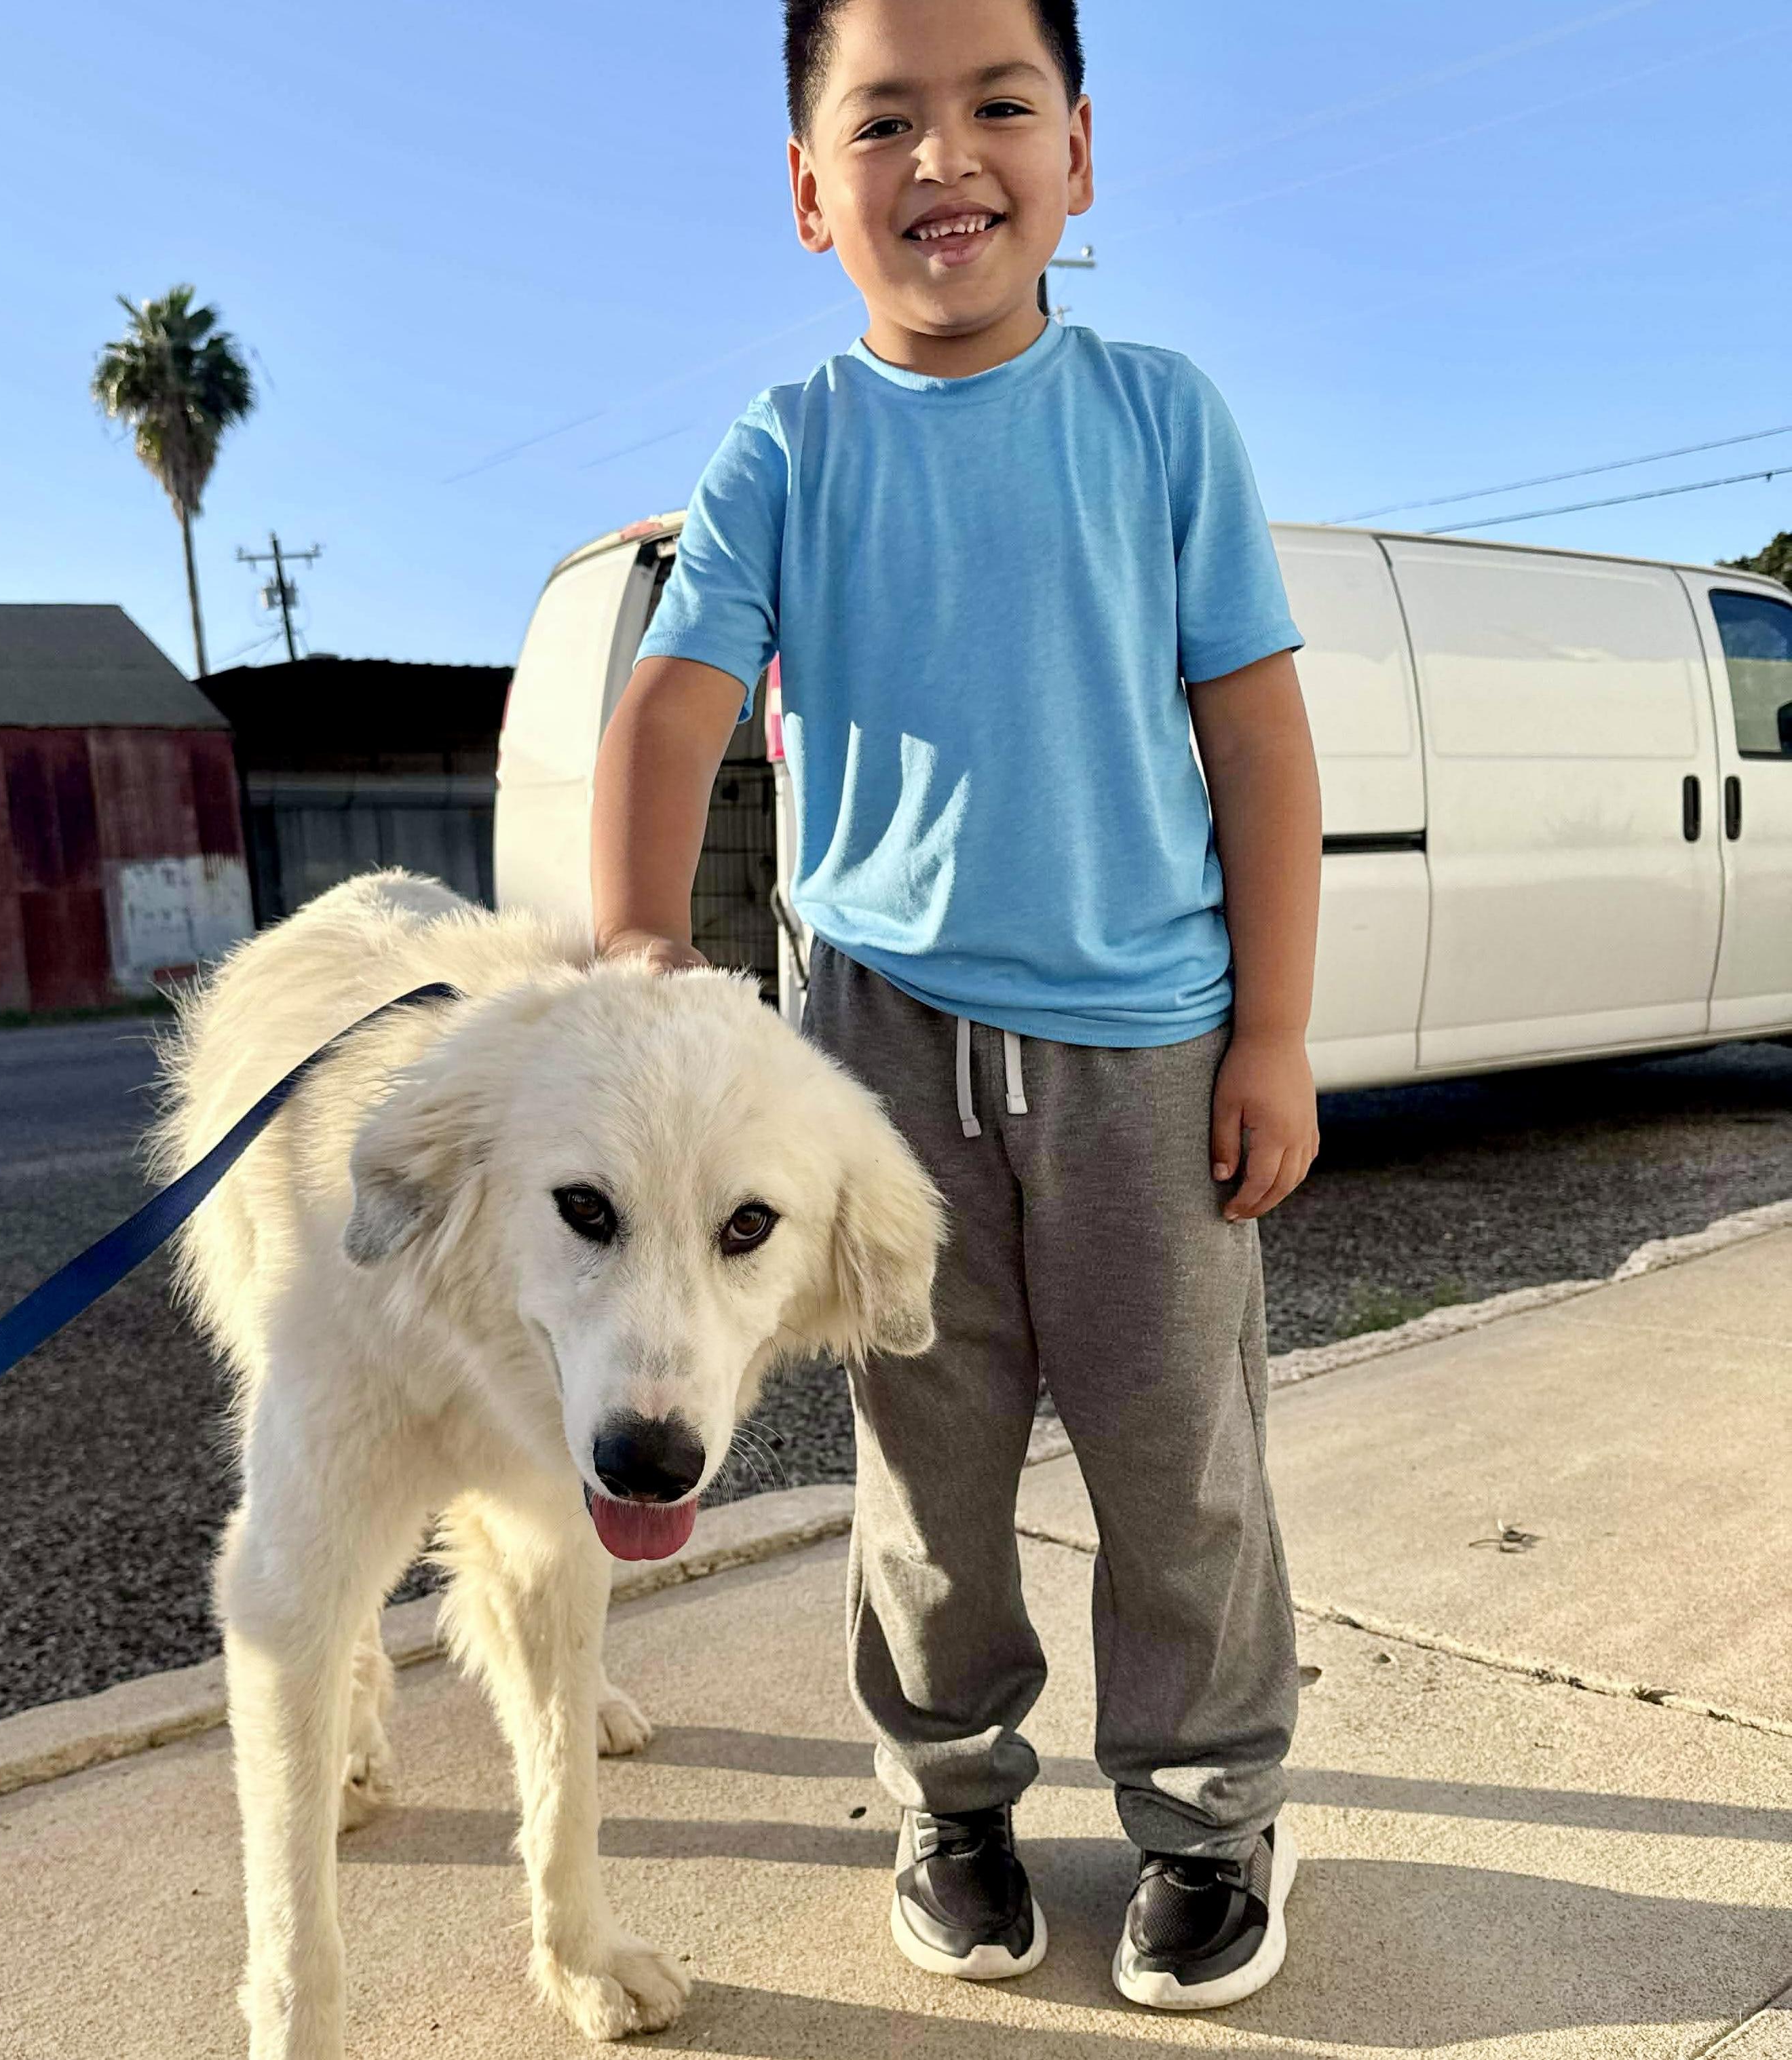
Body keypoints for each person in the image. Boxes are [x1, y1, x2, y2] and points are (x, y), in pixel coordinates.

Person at [588, 0, 1321, 2013]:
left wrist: (1272, 1033)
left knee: (1182, 1459)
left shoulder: (1163, 416)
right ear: (809, 186)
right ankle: (954, 1797)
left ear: (1080, 151)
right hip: (876, 1054)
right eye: (883, 121)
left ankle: (1207, 1815)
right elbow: (674, 705)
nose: (946, 160)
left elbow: (1259, 741)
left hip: (1151, 1051)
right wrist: (640, 957)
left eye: (999, 105)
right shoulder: (786, 448)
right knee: (929, 1460)